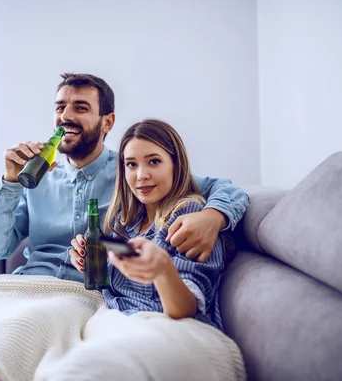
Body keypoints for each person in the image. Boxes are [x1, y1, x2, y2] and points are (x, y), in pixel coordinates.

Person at [0, 73, 249, 282]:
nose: (65, 116)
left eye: (80, 108)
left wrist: (212, 217)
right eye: (60, 108)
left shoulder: (134, 175)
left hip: (89, 294)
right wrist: (9, 182)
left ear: (108, 122)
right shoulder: (36, 179)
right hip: (27, 287)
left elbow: (226, 190)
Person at [69, 119, 230, 330]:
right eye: (131, 164)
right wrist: (89, 261)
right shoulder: (124, 221)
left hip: (165, 329)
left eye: (154, 161)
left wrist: (163, 270)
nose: (141, 175)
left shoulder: (189, 215)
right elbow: (112, 289)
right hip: (113, 319)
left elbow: (186, 310)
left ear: (175, 164)